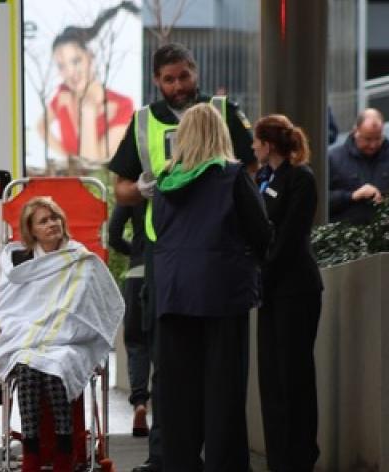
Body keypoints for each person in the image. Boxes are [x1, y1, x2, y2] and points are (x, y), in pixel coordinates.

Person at [107, 42, 257, 472]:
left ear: (195, 70)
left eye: (183, 77)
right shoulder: (142, 123)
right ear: (157, 80)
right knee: (169, 368)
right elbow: (120, 186)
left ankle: (217, 460)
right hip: (165, 252)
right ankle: (166, 458)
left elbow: (248, 169)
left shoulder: (222, 111)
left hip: (217, 251)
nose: (177, 86)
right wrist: (142, 191)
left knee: (220, 372)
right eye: (169, 79)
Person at [150, 103, 272, 471]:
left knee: (178, 394)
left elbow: (158, 230)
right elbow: (261, 231)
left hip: (172, 295)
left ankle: (179, 463)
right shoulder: (231, 176)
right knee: (224, 392)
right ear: (220, 134)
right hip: (221, 295)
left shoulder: (164, 182)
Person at [0, 197, 124, 472]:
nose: (52, 224)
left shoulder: (81, 259)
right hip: (27, 336)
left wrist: (62, 329)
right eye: (44, 221)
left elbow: (92, 304)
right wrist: (31, 329)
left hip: (71, 339)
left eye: (55, 218)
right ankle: (32, 451)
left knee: (56, 366)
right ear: (32, 231)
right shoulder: (18, 263)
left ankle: (65, 451)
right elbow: (10, 306)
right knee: (27, 366)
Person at [253, 115, 324, 471]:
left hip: (296, 289)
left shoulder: (300, 178)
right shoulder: (263, 180)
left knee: (294, 375)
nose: (253, 148)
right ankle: (278, 457)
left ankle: (300, 456)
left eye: (256, 141)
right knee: (271, 375)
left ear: (267, 144)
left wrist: (263, 273)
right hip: (270, 292)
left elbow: (290, 238)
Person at [35, 2, 138, 171]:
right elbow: (41, 126)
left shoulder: (122, 105)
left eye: (76, 61)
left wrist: (88, 112)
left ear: (90, 56)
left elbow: (93, 167)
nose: (70, 72)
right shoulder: (63, 95)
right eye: (61, 66)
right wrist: (67, 158)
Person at [328, 108, 389, 224]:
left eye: (377, 138)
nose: (372, 145)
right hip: (344, 234)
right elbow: (321, 201)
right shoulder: (333, 159)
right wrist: (351, 196)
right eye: (367, 139)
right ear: (355, 132)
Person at [107, 202, 151, 436]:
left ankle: (140, 403)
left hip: (137, 272)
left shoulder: (132, 187)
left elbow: (113, 234)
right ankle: (166, 415)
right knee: (164, 346)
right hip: (167, 271)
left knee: (136, 344)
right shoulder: (179, 177)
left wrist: (134, 250)